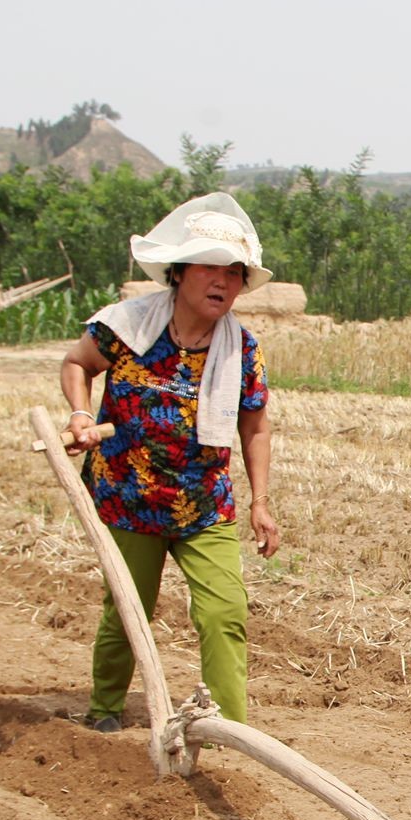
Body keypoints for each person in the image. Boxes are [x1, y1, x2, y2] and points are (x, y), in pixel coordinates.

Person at [59, 192, 280, 729]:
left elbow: (254, 425)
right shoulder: (127, 327)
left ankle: (229, 728)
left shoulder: (241, 349)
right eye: (211, 267)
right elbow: (76, 362)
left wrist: (261, 503)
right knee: (128, 611)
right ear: (179, 273)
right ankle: (106, 707)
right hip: (128, 498)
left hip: (203, 504)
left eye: (234, 272)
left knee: (225, 613)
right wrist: (81, 416)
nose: (223, 281)